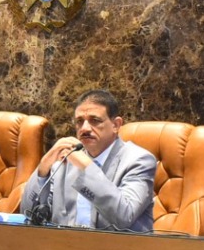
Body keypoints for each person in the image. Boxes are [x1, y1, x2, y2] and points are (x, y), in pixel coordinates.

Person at [19, 89, 157, 233]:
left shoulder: (139, 160)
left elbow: (124, 216)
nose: (84, 128)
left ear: (116, 125)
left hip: (119, 246)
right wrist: (42, 170)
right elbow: (27, 215)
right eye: (79, 121)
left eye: (95, 120)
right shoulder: (65, 160)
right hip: (65, 245)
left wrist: (87, 167)